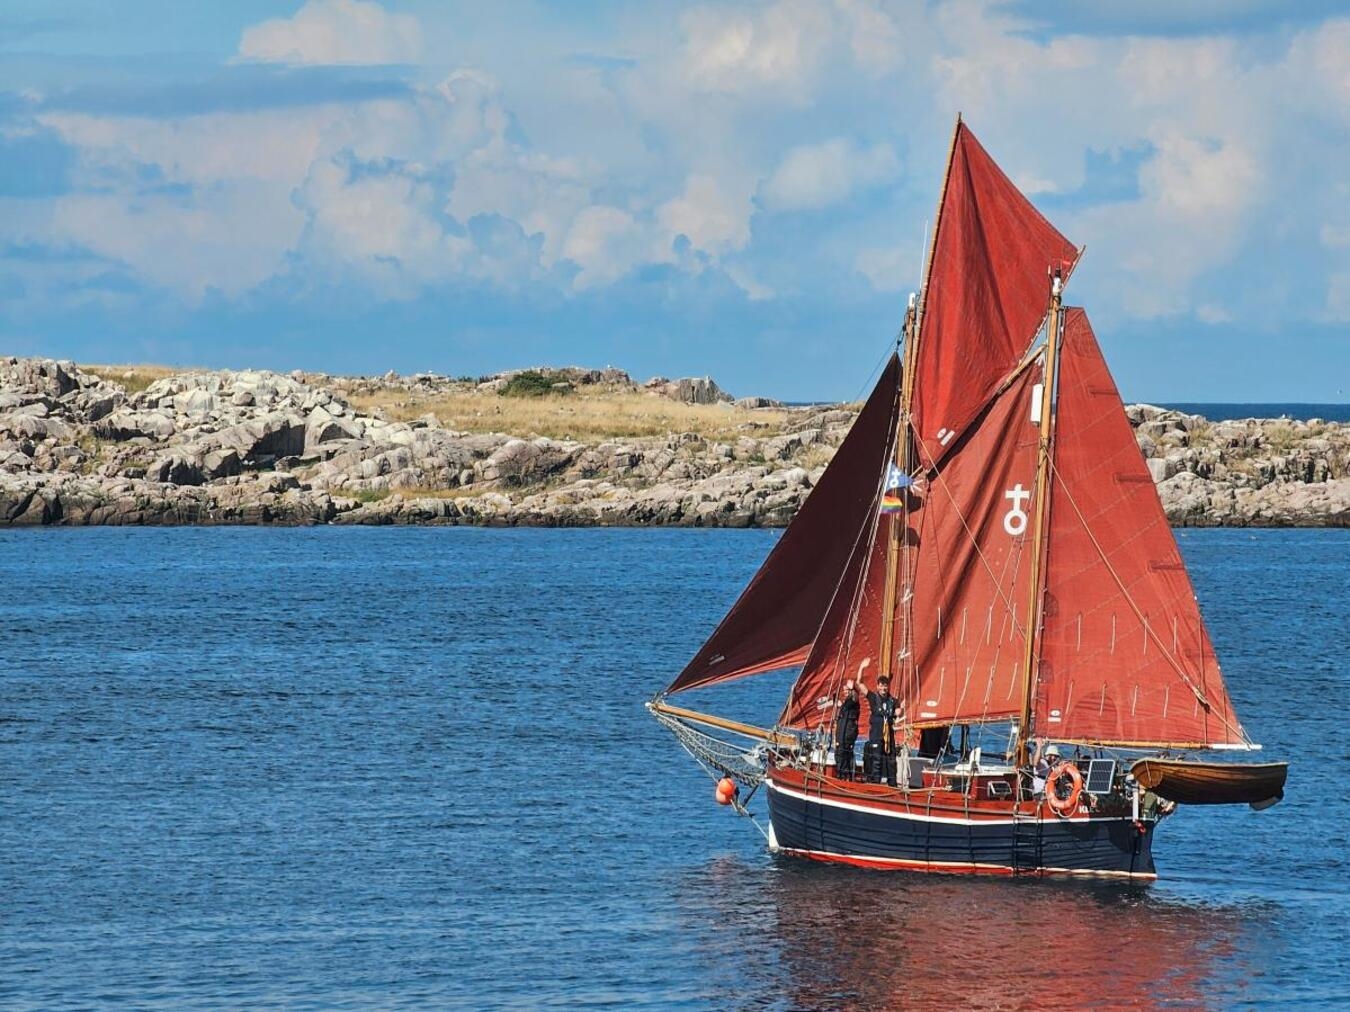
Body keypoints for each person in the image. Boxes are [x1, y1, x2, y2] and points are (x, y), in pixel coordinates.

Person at [859, 673, 901, 787]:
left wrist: (898, 712)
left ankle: (892, 785)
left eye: (885, 686)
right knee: (876, 761)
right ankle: (875, 785)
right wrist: (862, 668)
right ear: (877, 686)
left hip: (889, 737)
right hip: (876, 736)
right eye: (881, 686)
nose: (883, 688)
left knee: (891, 761)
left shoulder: (893, 700)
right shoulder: (873, 698)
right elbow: (860, 684)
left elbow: (898, 709)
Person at [834, 681, 860, 780]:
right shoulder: (846, 704)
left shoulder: (853, 700)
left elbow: (854, 697)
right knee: (840, 753)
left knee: (844, 753)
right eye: (844, 690)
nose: (845, 692)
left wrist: (853, 687)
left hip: (848, 732)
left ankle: (844, 777)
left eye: (847, 690)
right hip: (842, 731)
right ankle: (841, 774)